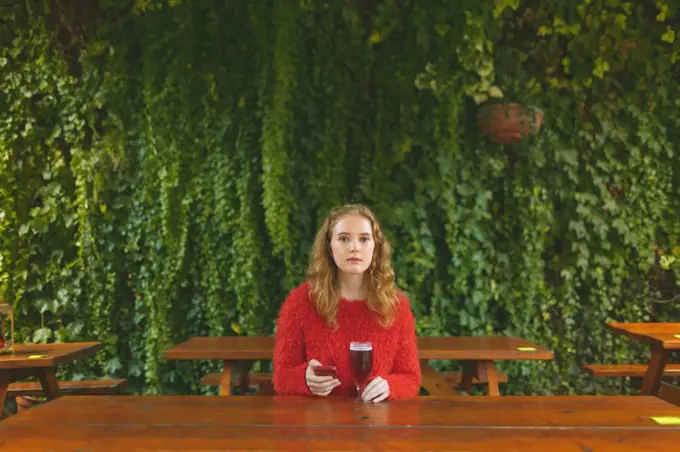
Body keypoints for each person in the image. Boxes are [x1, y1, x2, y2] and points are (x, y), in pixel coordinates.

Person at [273, 204, 421, 402]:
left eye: (364, 239)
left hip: (376, 424)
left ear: (375, 247)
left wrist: (390, 386)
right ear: (329, 247)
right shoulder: (301, 301)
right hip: (320, 425)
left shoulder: (396, 305)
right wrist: (303, 379)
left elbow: (410, 378)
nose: (354, 247)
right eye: (344, 238)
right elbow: (281, 377)